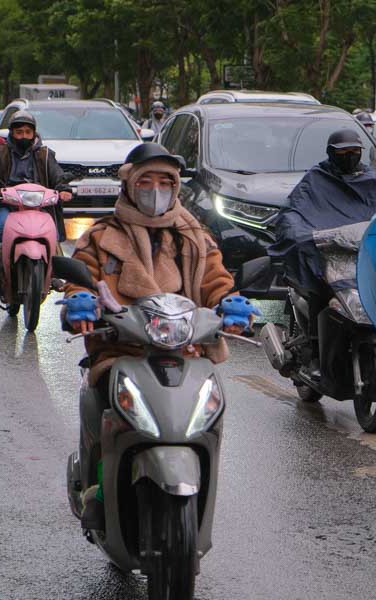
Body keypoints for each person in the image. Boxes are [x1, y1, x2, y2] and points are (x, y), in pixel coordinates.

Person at [61, 142, 242, 530]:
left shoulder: (195, 235)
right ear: (129, 185)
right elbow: (82, 275)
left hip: (186, 349)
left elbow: (215, 278)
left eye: (165, 182)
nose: (155, 190)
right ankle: (98, 486)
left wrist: (230, 302)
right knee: (104, 402)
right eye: (146, 181)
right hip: (121, 348)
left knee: (209, 411)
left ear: (176, 187)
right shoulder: (101, 235)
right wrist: (79, 299)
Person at [269, 128, 376, 377]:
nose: (349, 156)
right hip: (329, 257)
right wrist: (301, 234)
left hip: (365, 259)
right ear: (330, 153)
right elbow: (295, 211)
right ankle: (316, 354)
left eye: (354, 151)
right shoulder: (316, 180)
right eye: (343, 152)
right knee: (320, 293)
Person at [0, 110, 72, 249]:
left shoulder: (45, 155)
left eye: (28, 132)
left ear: (34, 133)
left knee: (53, 233)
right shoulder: (0, 154)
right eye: (19, 132)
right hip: (9, 205)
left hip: (40, 206)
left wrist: (64, 189)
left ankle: (53, 260)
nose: (24, 136)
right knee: (2, 227)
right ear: (12, 133)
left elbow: (57, 174)